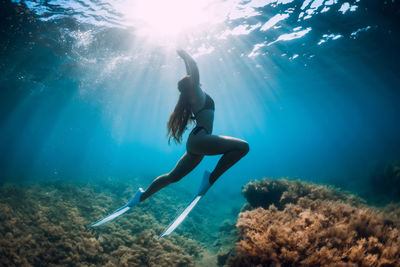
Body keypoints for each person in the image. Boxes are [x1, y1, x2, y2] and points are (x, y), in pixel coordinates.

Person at [131, 50, 249, 204]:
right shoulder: (196, 92)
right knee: (243, 147)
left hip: (196, 141)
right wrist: (185, 55)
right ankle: (211, 178)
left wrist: (184, 60)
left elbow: (190, 71)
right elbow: (193, 66)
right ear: (192, 84)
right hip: (200, 139)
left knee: (173, 177)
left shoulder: (193, 95)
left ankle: (141, 196)